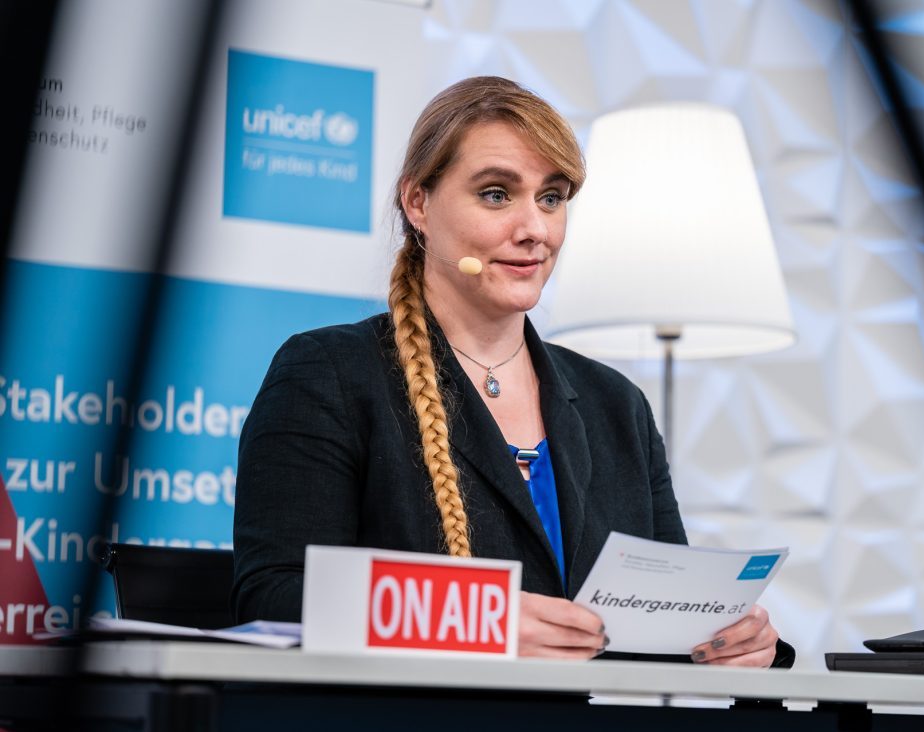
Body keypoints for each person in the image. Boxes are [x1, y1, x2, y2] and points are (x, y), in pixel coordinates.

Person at [232, 76, 793, 667]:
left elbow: (659, 628)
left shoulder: (616, 405)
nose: (535, 230)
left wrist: (735, 644)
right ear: (418, 202)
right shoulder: (329, 374)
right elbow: (272, 599)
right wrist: (482, 624)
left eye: (551, 198)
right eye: (497, 194)